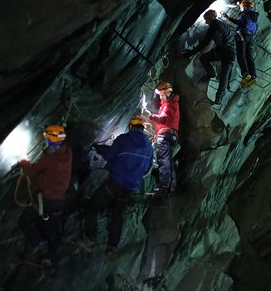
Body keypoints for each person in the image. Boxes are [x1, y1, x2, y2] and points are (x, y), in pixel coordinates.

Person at [84, 115, 153, 253]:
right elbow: (147, 167)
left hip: (115, 182)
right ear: (143, 128)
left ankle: (90, 239)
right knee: (117, 215)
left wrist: (101, 150)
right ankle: (112, 247)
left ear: (131, 125)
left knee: (93, 206)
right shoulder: (149, 147)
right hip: (129, 188)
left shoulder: (124, 138)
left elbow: (109, 156)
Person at [18, 125, 73, 267]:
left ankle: (40, 245)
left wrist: (23, 160)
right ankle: (49, 256)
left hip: (47, 201)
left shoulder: (49, 158)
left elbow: (32, 172)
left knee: (24, 220)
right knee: (51, 227)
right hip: (60, 201)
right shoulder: (68, 153)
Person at [183, 9, 236, 104]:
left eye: (206, 19)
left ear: (211, 17)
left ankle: (211, 72)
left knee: (204, 58)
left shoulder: (215, 26)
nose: (206, 22)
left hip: (223, 50)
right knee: (224, 75)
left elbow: (205, 42)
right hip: (232, 52)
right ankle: (219, 99)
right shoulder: (224, 25)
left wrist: (190, 53)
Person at [144, 82, 180, 194]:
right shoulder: (171, 103)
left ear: (167, 93)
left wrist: (149, 115)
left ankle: (163, 187)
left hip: (165, 135)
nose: (160, 96)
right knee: (168, 161)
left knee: (163, 160)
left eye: (162, 94)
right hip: (172, 136)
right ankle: (172, 187)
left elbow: (164, 119)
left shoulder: (169, 105)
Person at [222, 0, 259, 87]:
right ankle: (253, 75)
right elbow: (255, 28)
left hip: (242, 35)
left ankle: (246, 74)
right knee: (249, 57)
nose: (240, 8)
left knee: (241, 55)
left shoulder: (245, 13)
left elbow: (243, 22)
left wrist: (229, 18)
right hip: (251, 38)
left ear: (245, 6)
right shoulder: (254, 15)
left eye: (242, 7)